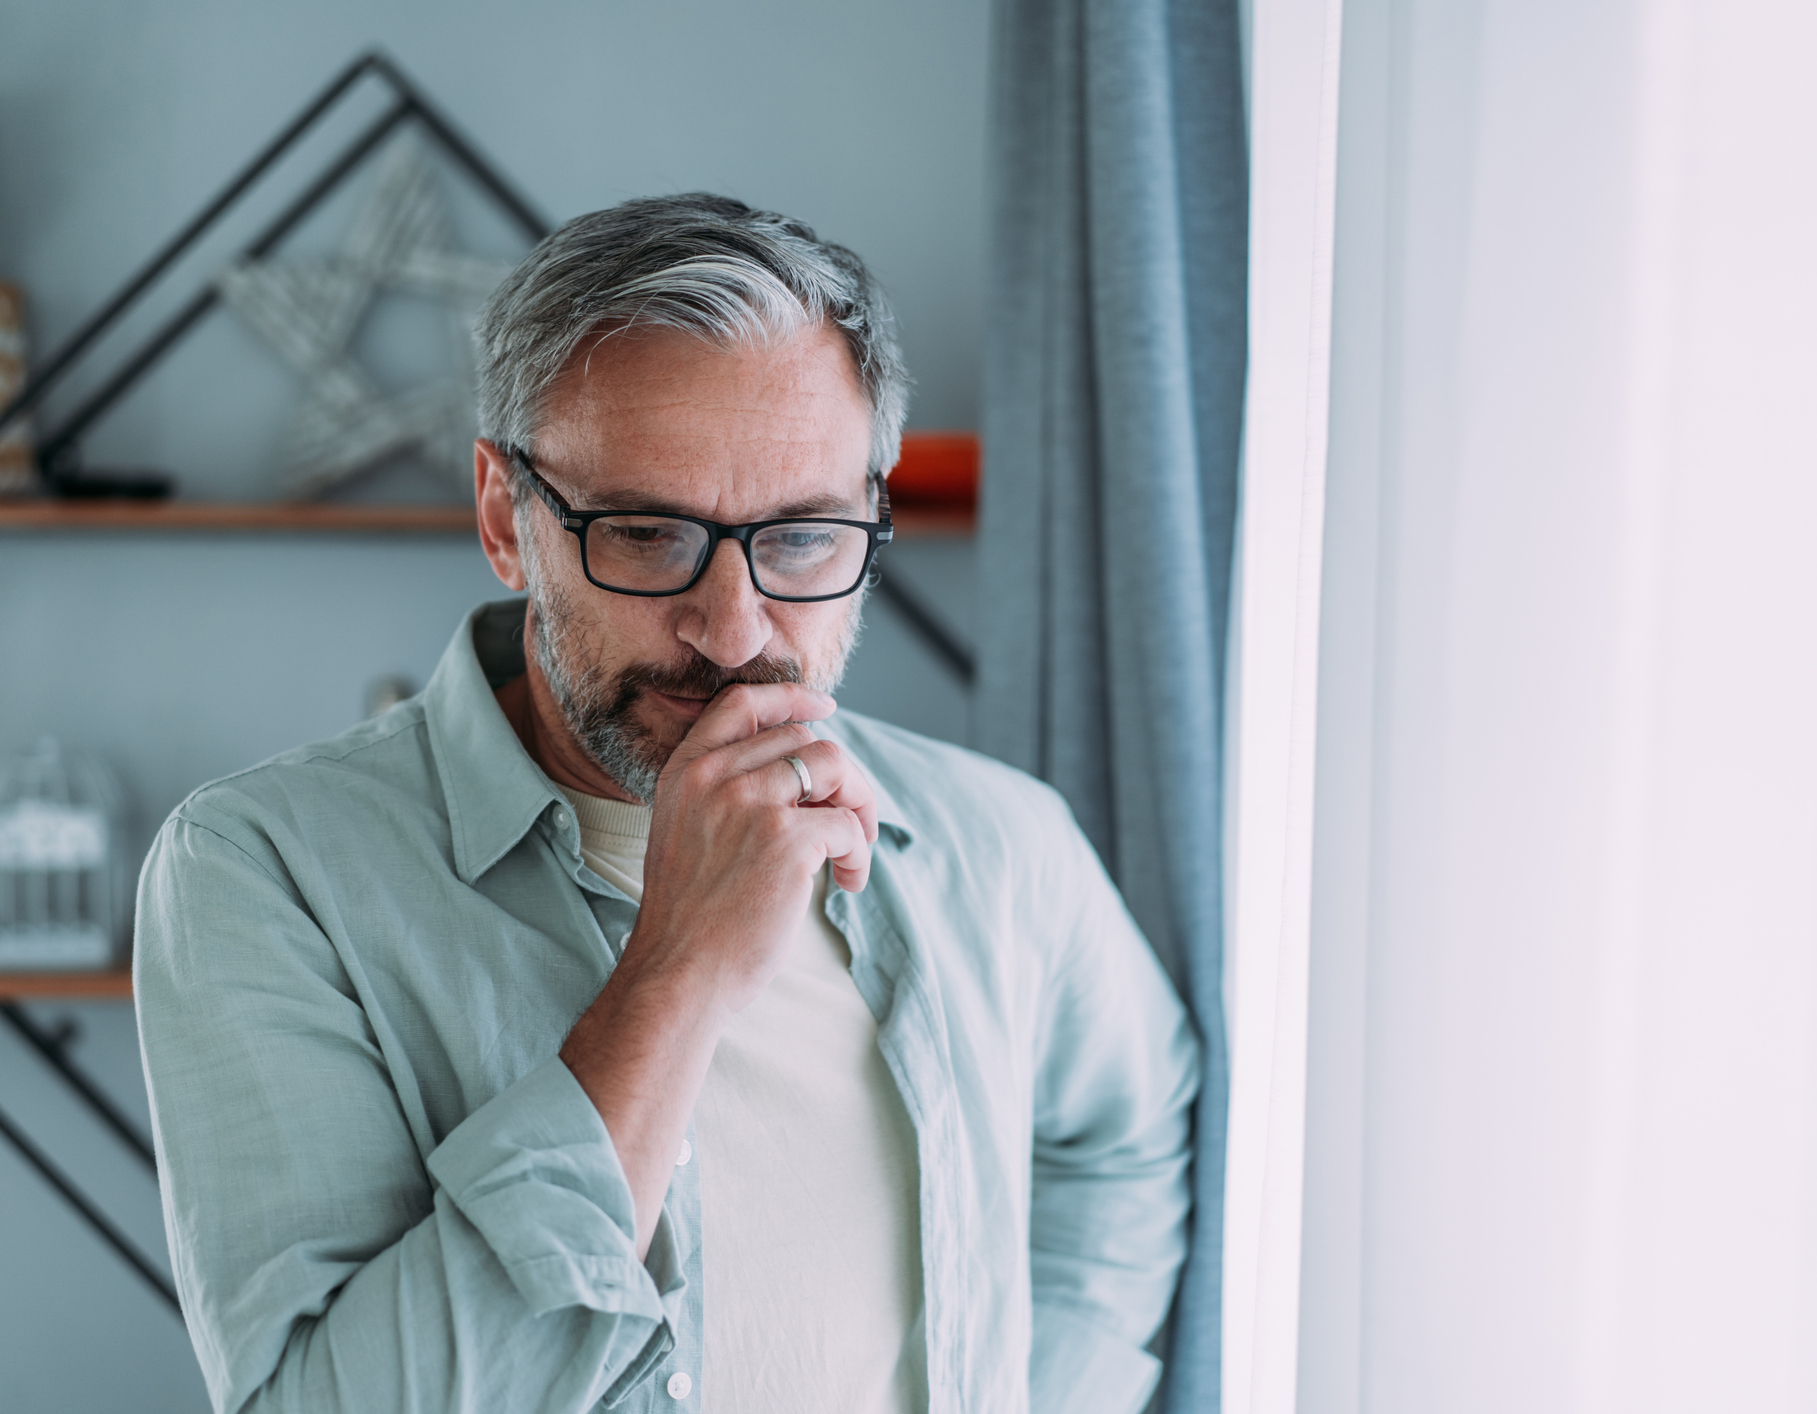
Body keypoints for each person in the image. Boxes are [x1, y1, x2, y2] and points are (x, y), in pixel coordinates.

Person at [134, 193, 1197, 1414]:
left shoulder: (1000, 843)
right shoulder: (264, 874)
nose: (734, 630)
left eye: (802, 539)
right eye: (647, 535)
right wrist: (678, 972)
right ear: (503, 517)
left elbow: (1128, 1133)